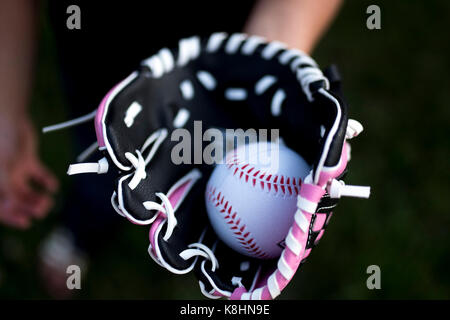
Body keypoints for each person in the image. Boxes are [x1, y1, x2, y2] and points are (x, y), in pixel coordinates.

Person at [0, 0, 343, 297]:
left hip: (224, 55)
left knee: (124, 179)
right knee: (107, 165)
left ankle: (82, 230)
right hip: (102, 62)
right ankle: (80, 233)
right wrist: (7, 112)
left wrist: (262, 57)